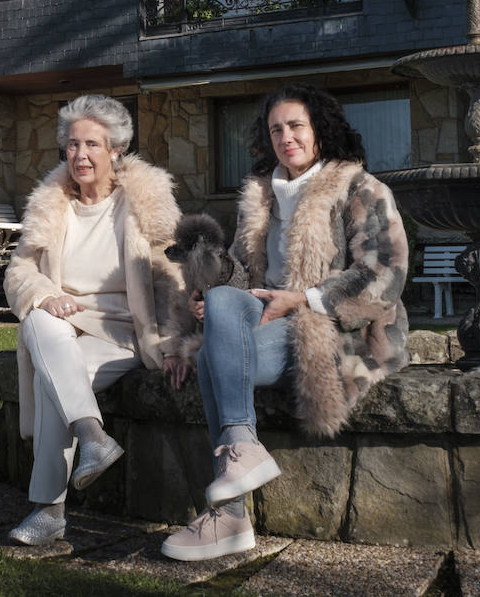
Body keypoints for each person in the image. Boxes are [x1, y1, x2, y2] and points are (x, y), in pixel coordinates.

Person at [160, 84, 409, 562]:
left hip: (332, 325)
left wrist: (305, 298)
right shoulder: (259, 195)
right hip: (261, 313)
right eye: (276, 129)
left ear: (319, 130)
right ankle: (242, 448)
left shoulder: (361, 188)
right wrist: (206, 288)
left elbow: (385, 272)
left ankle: (230, 515)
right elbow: (238, 269)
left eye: (296, 126)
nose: (286, 137)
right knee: (225, 304)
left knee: (214, 353)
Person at [3, 94, 197, 546]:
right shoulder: (52, 204)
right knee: (37, 321)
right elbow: (19, 270)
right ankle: (93, 435)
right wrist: (45, 295)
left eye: (92, 144)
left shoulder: (141, 202)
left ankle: (48, 510)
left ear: (115, 150)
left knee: (53, 385)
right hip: (65, 325)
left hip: (124, 333)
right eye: (72, 145)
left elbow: (171, 270)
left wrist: (174, 338)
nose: (81, 155)